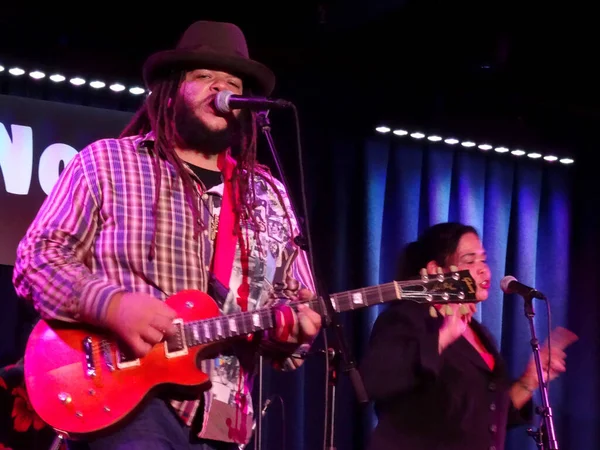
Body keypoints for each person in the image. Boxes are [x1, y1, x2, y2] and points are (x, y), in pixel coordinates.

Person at [12, 20, 322, 450]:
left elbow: (290, 300)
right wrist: (113, 306)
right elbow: (37, 260)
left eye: (232, 82)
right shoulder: (107, 163)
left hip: (223, 412)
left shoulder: (266, 193)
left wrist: (295, 331)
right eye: (204, 77)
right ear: (172, 89)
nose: (221, 89)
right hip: (123, 396)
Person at [359, 222, 577, 450]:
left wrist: (528, 381)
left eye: (483, 260)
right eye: (470, 261)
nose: (483, 269)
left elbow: (485, 418)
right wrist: (443, 337)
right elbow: (375, 382)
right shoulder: (405, 319)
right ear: (436, 271)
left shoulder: (478, 332)